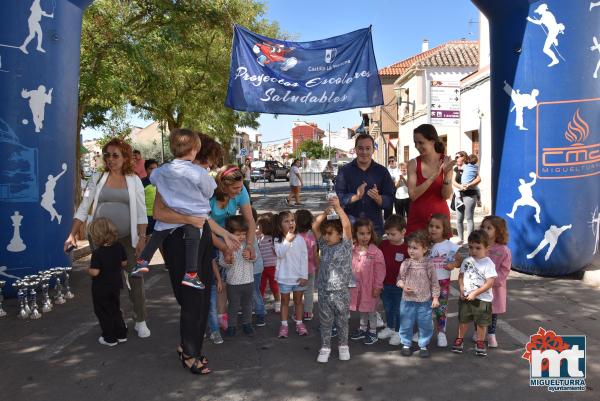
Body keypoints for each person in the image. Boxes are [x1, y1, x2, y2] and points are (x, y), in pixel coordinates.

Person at [65, 138, 151, 339]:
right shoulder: (96, 177)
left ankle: (140, 319)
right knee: (106, 283)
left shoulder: (134, 180)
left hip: (127, 238)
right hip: (100, 241)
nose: (110, 159)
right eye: (107, 155)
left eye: (115, 155)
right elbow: (84, 208)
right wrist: (72, 234)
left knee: (135, 277)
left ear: (125, 157)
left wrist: (142, 238)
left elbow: (140, 212)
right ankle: (113, 320)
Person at [130, 130, 220, 292]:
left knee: (157, 236)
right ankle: (191, 273)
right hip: (193, 215)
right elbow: (209, 192)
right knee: (193, 240)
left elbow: (153, 180)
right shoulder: (198, 172)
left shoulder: (162, 170)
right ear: (195, 150)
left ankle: (142, 261)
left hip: (170, 214)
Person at [312, 196, 353, 363]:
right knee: (325, 321)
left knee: (342, 321)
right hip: (324, 291)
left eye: (330, 233)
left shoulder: (346, 245)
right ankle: (325, 347)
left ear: (339, 235)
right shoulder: (323, 245)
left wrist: (338, 208)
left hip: (341, 292)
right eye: (325, 233)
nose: (326, 237)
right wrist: (324, 213)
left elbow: (347, 225)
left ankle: (343, 346)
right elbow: (315, 226)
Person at [335, 134, 395, 236]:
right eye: (360, 148)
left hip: (374, 230)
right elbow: (339, 198)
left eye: (368, 148)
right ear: (355, 150)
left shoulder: (382, 171)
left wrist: (378, 198)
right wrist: (356, 197)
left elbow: (390, 199)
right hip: (351, 229)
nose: (364, 152)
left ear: (373, 150)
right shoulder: (344, 171)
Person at [451, 230, 497, 357]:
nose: (474, 251)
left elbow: (489, 283)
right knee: (463, 320)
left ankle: (480, 342)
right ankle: (459, 339)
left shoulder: (488, 264)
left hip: (483, 300)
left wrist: (475, 293)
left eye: (478, 248)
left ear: (486, 248)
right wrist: (461, 289)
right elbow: (461, 276)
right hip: (466, 297)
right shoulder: (467, 261)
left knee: (481, 323)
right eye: (471, 247)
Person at [397, 230, 440, 358]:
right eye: (409, 247)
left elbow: (434, 282)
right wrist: (403, 286)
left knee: (425, 323)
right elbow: (399, 279)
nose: (411, 250)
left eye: (415, 248)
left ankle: (423, 345)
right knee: (406, 322)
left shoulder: (429, 264)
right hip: (407, 300)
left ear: (425, 248)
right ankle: (406, 344)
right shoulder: (406, 263)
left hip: (424, 301)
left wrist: (435, 297)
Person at [406, 124, 454, 236]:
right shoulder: (413, 163)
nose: (417, 146)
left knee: (440, 253)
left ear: (432, 141)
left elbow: (446, 196)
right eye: (415, 143)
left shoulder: (445, 161)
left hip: (439, 222)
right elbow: (412, 195)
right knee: (413, 252)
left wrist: (447, 175)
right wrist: (432, 177)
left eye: (421, 142)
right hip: (417, 220)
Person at [87, 217, 128, 347]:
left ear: (96, 235)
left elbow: (95, 272)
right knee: (115, 308)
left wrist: (87, 270)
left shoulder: (98, 253)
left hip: (101, 287)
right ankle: (121, 334)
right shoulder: (118, 246)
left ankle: (109, 337)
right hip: (115, 284)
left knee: (103, 311)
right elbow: (124, 262)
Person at [349, 219, 386, 346]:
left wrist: (377, 286)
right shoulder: (353, 249)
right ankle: (363, 328)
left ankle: (373, 331)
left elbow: (380, 271)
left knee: (371, 310)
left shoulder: (375, 252)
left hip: (370, 287)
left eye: (368, 233)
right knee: (362, 308)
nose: (365, 237)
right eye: (361, 233)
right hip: (358, 287)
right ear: (356, 234)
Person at [218, 216, 256, 337]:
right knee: (233, 306)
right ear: (229, 233)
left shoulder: (248, 244)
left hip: (248, 281)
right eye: (238, 234)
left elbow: (255, 258)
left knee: (247, 305)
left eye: (244, 234)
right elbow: (221, 263)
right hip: (233, 282)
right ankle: (232, 326)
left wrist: (250, 257)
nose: (242, 237)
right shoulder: (226, 245)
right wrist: (228, 260)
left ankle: (247, 324)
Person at [274, 211, 309, 338]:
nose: (290, 223)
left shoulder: (300, 239)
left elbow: (304, 258)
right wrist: (287, 241)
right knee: (284, 301)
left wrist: (304, 276)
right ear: (279, 225)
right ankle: (284, 325)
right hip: (284, 278)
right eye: (286, 221)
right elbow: (280, 254)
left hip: (299, 277)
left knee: (299, 301)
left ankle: (299, 323)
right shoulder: (278, 240)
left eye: (292, 220)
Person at [480, 216, 512, 348]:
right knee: (479, 311)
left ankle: (491, 334)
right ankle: (479, 332)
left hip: (495, 287)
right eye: (483, 227)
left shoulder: (504, 250)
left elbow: (504, 270)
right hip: (479, 285)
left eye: (489, 228)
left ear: (498, 231)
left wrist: (492, 280)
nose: (485, 230)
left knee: (492, 312)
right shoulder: (480, 246)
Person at [427, 213, 459, 348]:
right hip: (426, 282)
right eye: (431, 226)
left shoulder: (450, 246)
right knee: (425, 309)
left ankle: (441, 333)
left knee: (441, 309)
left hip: (443, 282)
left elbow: (458, 260)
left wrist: (453, 265)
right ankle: (425, 332)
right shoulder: (425, 244)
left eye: (437, 227)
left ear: (444, 229)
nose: (433, 229)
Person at [377, 215, 408, 346]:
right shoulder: (383, 244)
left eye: (393, 234)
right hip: (385, 284)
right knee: (388, 307)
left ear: (403, 232)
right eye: (387, 234)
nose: (389, 237)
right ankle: (390, 327)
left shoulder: (407, 248)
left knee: (399, 309)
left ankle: (399, 332)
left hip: (400, 286)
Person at [453, 151, 481, 245]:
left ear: (464, 158)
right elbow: (453, 181)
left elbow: (478, 179)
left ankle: (470, 241)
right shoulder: (456, 169)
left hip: (470, 194)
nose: (456, 158)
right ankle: (460, 239)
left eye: (458, 157)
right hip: (458, 195)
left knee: (469, 218)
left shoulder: (470, 167)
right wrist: (460, 187)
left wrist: (469, 185)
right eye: (455, 157)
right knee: (459, 219)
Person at [295, 209, 318, 321]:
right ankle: (308, 312)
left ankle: (297, 313)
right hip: (310, 269)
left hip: (298, 270)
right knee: (309, 291)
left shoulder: (294, 237)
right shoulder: (311, 235)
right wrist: (317, 266)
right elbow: (314, 253)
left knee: (298, 291)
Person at [258, 213, 281, 313]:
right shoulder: (260, 239)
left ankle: (277, 304)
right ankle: (260, 305)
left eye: (260, 227)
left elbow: (277, 252)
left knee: (273, 286)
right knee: (262, 286)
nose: (258, 228)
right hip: (263, 267)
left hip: (271, 267)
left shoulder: (272, 240)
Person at [250, 208, 266, 327]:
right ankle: (251, 308)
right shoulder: (251, 232)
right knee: (252, 290)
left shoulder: (250, 234)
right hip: (254, 267)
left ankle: (260, 313)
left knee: (254, 291)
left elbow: (252, 255)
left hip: (254, 268)